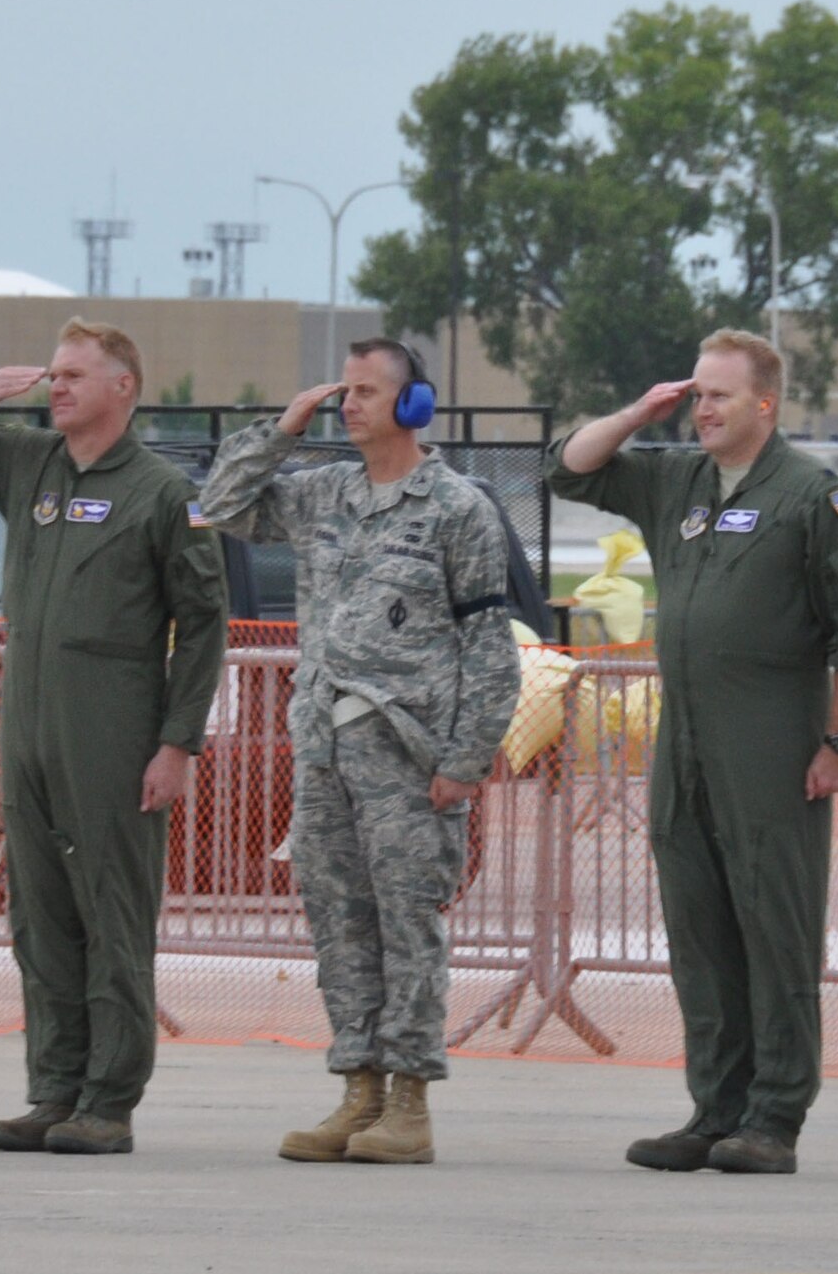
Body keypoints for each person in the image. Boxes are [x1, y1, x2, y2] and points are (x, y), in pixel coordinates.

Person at [546, 328, 838, 1175]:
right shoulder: (677, 482)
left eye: (720, 395)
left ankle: (775, 1114)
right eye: (696, 393)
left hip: (772, 737)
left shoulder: (815, 495)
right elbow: (569, 467)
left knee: (773, 927)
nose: (702, 407)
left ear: (765, 404)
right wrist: (642, 409)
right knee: (699, 927)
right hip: (687, 740)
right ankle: (715, 1106)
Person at [0, 318, 229, 1155]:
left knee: (112, 914)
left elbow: (202, 624)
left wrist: (177, 741)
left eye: (75, 375)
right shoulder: (29, 463)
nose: (57, 387)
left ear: (124, 386)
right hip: (32, 721)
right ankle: (52, 1088)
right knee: (41, 916)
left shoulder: (162, 492)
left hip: (113, 724)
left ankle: (108, 1100)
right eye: (53, 374)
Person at [200, 338, 520, 1165]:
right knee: (339, 923)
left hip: (407, 753)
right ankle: (359, 1091)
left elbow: (490, 644)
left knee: (406, 924)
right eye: (346, 390)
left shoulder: (457, 508)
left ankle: (410, 1103)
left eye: (370, 391)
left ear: (415, 406)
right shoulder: (322, 494)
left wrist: (467, 756)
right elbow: (224, 505)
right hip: (325, 750)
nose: (352, 404)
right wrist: (282, 429)